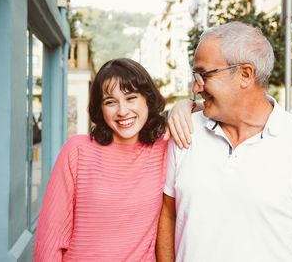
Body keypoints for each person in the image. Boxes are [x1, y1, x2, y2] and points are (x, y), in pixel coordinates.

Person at [156, 21, 292, 262]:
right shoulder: (185, 130)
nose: (195, 87)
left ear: (245, 74)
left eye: (203, 74)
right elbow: (169, 216)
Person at [33, 58, 190, 261]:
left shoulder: (165, 149)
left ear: (147, 99)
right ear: (100, 108)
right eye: (110, 102)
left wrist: (186, 104)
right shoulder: (77, 150)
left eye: (131, 98)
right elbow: (50, 237)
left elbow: (219, 110)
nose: (122, 111)